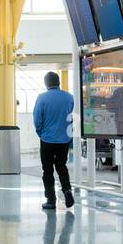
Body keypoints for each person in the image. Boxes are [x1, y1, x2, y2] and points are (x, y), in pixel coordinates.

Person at [33, 71, 74, 210]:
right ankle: (67, 190)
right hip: (64, 139)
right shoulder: (69, 97)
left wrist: (41, 133)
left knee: (47, 170)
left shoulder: (42, 98)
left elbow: (37, 120)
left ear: (46, 83)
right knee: (62, 167)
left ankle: (51, 200)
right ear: (59, 82)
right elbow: (71, 117)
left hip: (47, 139)